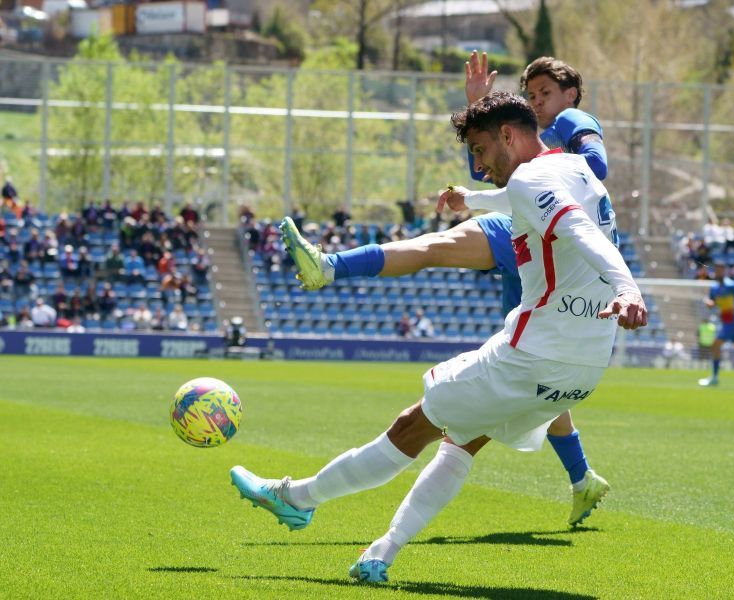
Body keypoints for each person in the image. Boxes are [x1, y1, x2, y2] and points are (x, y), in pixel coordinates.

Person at [231, 91, 647, 583]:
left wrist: (627, 287)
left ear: (509, 136)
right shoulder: (574, 169)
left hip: (533, 354)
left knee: (412, 427)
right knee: (462, 442)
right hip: (585, 366)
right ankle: (379, 554)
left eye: (479, 149)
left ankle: (295, 499)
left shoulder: (534, 178)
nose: (476, 162)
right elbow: (545, 205)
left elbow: (577, 229)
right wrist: (472, 199)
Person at [276, 53, 616, 526]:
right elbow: (486, 173)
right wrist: (482, 109)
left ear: (570, 96)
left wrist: (551, 162)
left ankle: (581, 479)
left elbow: (596, 166)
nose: (537, 101)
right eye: (531, 94)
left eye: (546, 94)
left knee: (536, 377)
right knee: (439, 246)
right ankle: (327, 265)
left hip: (552, 233)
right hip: (525, 226)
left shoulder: (572, 124)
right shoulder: (518, 138)